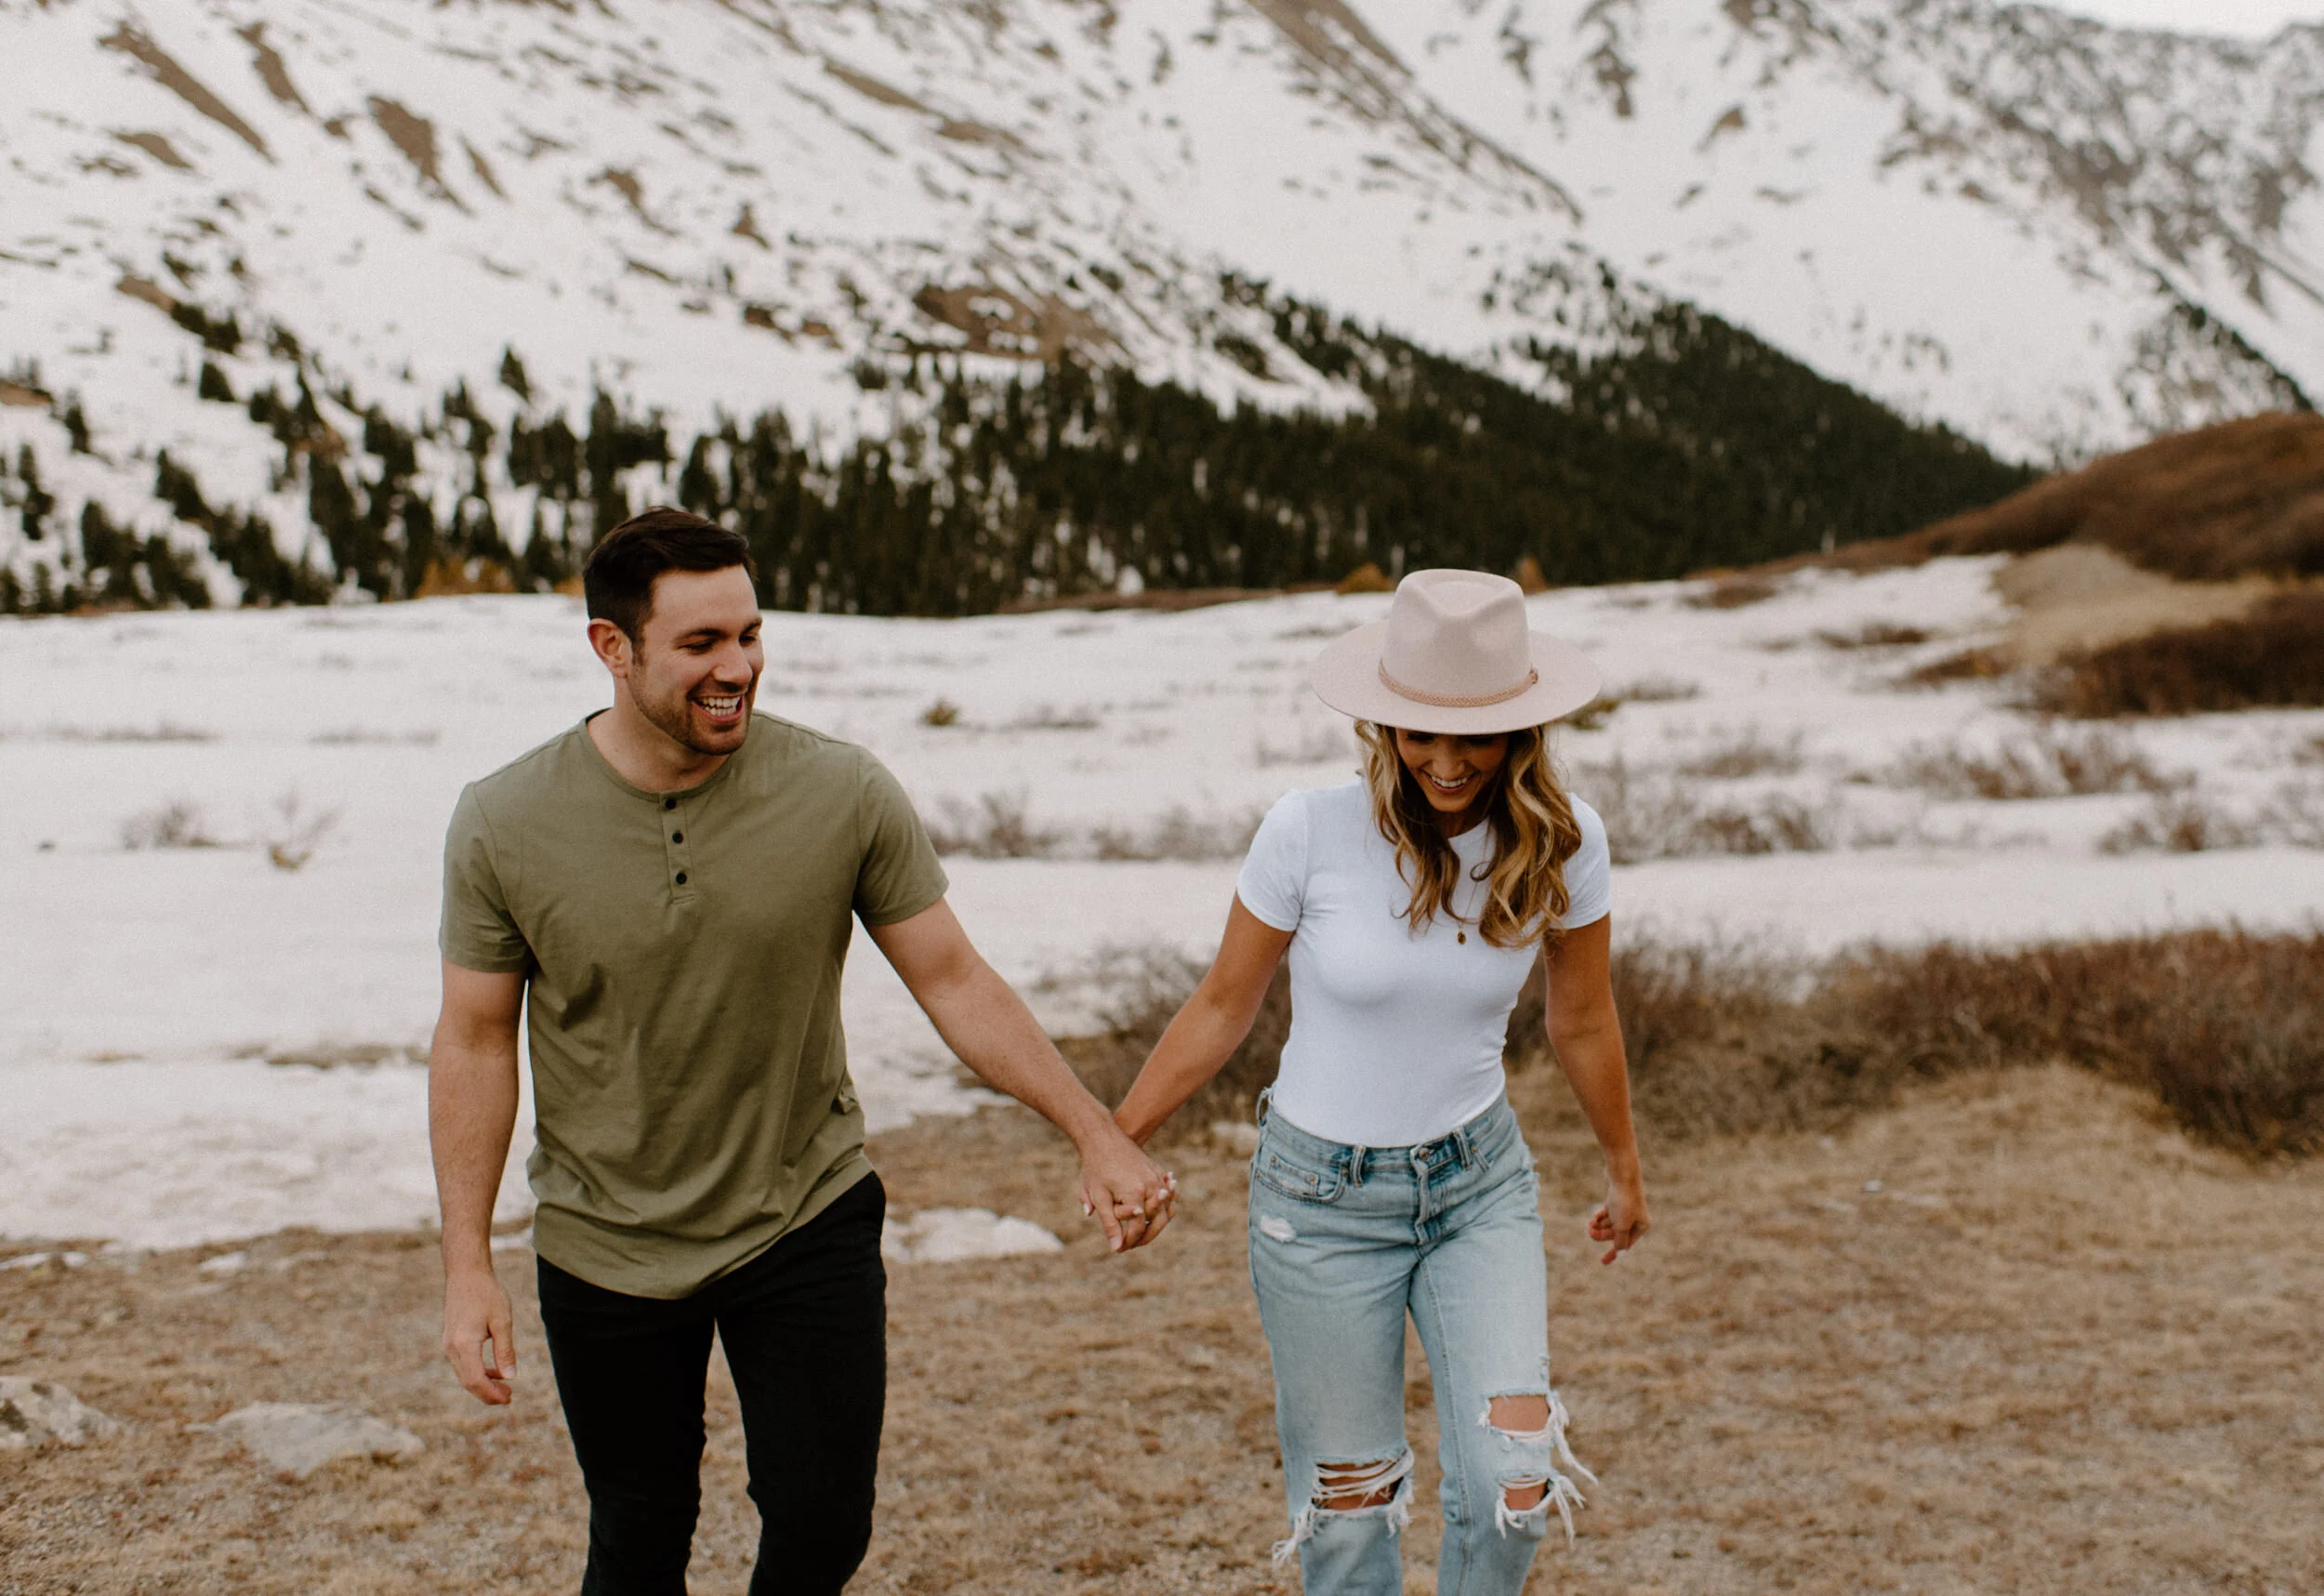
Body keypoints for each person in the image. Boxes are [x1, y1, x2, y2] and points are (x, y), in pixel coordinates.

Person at [427, 507, 1177, 1596]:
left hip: (803, 1211)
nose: (739, 668)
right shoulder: (503, 821)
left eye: (750, 634)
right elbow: (475, 1041)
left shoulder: (840, 790)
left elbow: (955, 980)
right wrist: (465, 1265)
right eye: (701, 645)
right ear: (611, 647)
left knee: (823, 1522)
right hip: (604, 1241)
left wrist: (1094, 1133)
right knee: (638, 1535)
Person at [1112, 568, 1650, 1595]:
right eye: (1418, 733)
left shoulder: (1562, 840)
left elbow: (1581, 1018)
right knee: (1349, 1521)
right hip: (1317, 1208)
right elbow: (1224, 1004)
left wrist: (1625, 1169)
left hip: (1477, 1190)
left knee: (1511, 1483)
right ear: (1382, 724)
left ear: (1519, 730)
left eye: (1473, 736)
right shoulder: (1307, 830)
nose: (1444, 762)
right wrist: (1117, 1135)